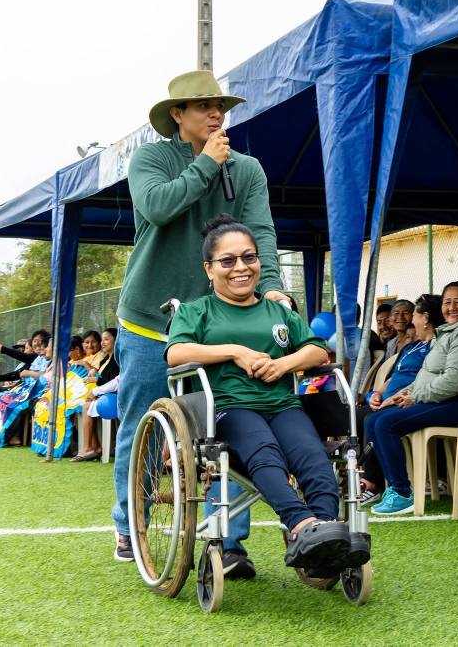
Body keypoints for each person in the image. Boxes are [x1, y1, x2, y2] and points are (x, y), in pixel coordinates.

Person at [112, 70, 287, 574]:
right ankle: (131, 524)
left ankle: (227, 542)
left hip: (222, 321)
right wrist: (206, 164)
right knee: (142, 426)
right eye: (204, 106)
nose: (216, 114)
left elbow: (260, 232)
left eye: (221, 107)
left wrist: (272, 284)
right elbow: (158, 207)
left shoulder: (247, 169)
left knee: (227, 428)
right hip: (150, 320)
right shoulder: (150, 159)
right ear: (177, 115)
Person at [167, 215, 365, 575]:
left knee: (313, 456)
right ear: (209, 269)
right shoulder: (198, 311)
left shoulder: (277, 311)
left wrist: (284, 363)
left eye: (249, 257)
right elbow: (176, 353)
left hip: (282, 405)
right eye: (228, 261)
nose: (241, 267)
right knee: (265, 452)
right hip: (229, 407)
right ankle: (301, 525)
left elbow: (316, 350)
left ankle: (324, 532)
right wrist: (234, 351)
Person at [367, 280, 458, 515]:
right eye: (447, 302)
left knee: (386, 423)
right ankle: (394, 488)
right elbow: (424, 376)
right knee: (373, 419)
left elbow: (453, 383)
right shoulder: (449, 332)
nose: (451, 308)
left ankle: (402, 492)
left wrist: (414, 397)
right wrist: (400, 395)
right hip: (440, 400)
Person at [358, 294, 444, 505]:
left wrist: (396, 398)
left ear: (426, 318)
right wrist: (377, 394)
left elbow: (424, 380)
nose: (411, 319)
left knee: (375, 420)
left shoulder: (436, 348)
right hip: (389, 400)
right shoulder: (410, 347)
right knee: (357, 415)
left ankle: (374, 482)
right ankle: (366, 476)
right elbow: (392, 378)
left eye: (414, 314)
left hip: (411, 401)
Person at [75, 328, 119, 461]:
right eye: (102, 340)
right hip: (104, 395)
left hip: (114, 396)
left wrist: (96, 382)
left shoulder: (118, 359)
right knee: (84, 403)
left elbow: (114, 381)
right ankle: (94, 446)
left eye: (106, 339)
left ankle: (89, 448)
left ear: (116, 340)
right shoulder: (105, 359)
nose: (102, 343)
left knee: (87, 406)